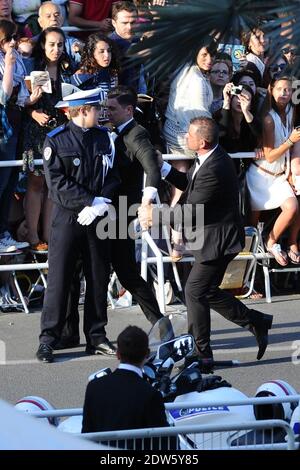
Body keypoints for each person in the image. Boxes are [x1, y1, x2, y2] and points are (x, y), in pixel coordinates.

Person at [138, 116, 273, 361]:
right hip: (213, 236)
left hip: (219, 240)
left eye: (189, 135)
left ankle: (202, 355)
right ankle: (256, 321)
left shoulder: (215, 167)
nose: (185, 138)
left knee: (194, 291)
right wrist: (165, 167)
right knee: (206, 291)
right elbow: (191, 187)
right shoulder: (209, 158)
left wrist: (154, 214)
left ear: (203, 141)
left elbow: (191, 211)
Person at [35, 87, 120, 363]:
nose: (100, 112)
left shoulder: (104, 138)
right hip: (68, 218)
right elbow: (56, 184)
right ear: (83, 111)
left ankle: (96, 336)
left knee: (98, 277)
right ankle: (50, 338)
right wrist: (89, 201)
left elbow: (113, 175)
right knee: (59, 280)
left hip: (97, 218)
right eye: (96, 108)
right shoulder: (55, 141)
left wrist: (100, 203)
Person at [82, 325, 171, 448]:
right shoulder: (150, 394)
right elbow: (163, 441)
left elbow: (87, 433)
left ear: (118, 354)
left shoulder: (94, 387)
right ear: (147, 355)